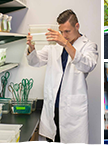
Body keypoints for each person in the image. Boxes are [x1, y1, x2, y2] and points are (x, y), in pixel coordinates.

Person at [26, 9, 98, 164]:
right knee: (54, 150)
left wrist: (65, 44)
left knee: (72, 153)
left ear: (77, 26)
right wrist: (32, 48)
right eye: (61, 32)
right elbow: (36, 61)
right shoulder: (54, 45)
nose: (64, 35)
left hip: (72, 108)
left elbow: (88, 65)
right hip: (53, 106)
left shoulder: (88, 46)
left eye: (67, 31)